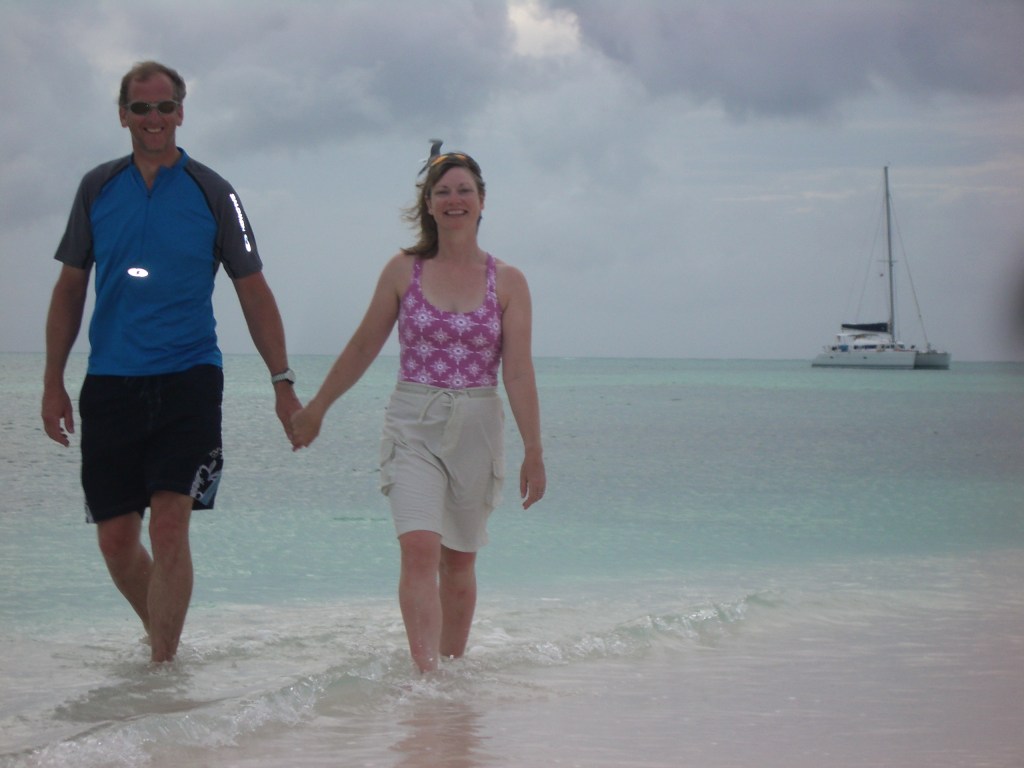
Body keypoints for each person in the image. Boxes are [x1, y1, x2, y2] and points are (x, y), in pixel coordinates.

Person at [41, 61, 302, 663]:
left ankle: (160, 668)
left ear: (181, 112)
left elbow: (253, 289)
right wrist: (52, 381)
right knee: (115, 540)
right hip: (110, 381)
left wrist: (282, 381)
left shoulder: (215, 191)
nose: (153, 119)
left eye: (164, 108)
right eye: (141, 108)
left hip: (188, 377)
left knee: (169, 523)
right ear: (123, 115)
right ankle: (167, 642)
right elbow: (69, 290)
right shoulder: (96, 188)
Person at [290, 143, 546, 673]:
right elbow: (363, 347)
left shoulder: (510, 282)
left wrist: (535, 450)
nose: (454, 200)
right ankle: (425, 676)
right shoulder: (402, 270)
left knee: (458, 562)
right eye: (443, 192)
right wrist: (318, 407)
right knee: (420, 549)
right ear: (428, 204)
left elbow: (517, 372)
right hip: (414, 422)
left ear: (481, 202)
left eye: (464, 191)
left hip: (477, 424)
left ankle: (450, 672)